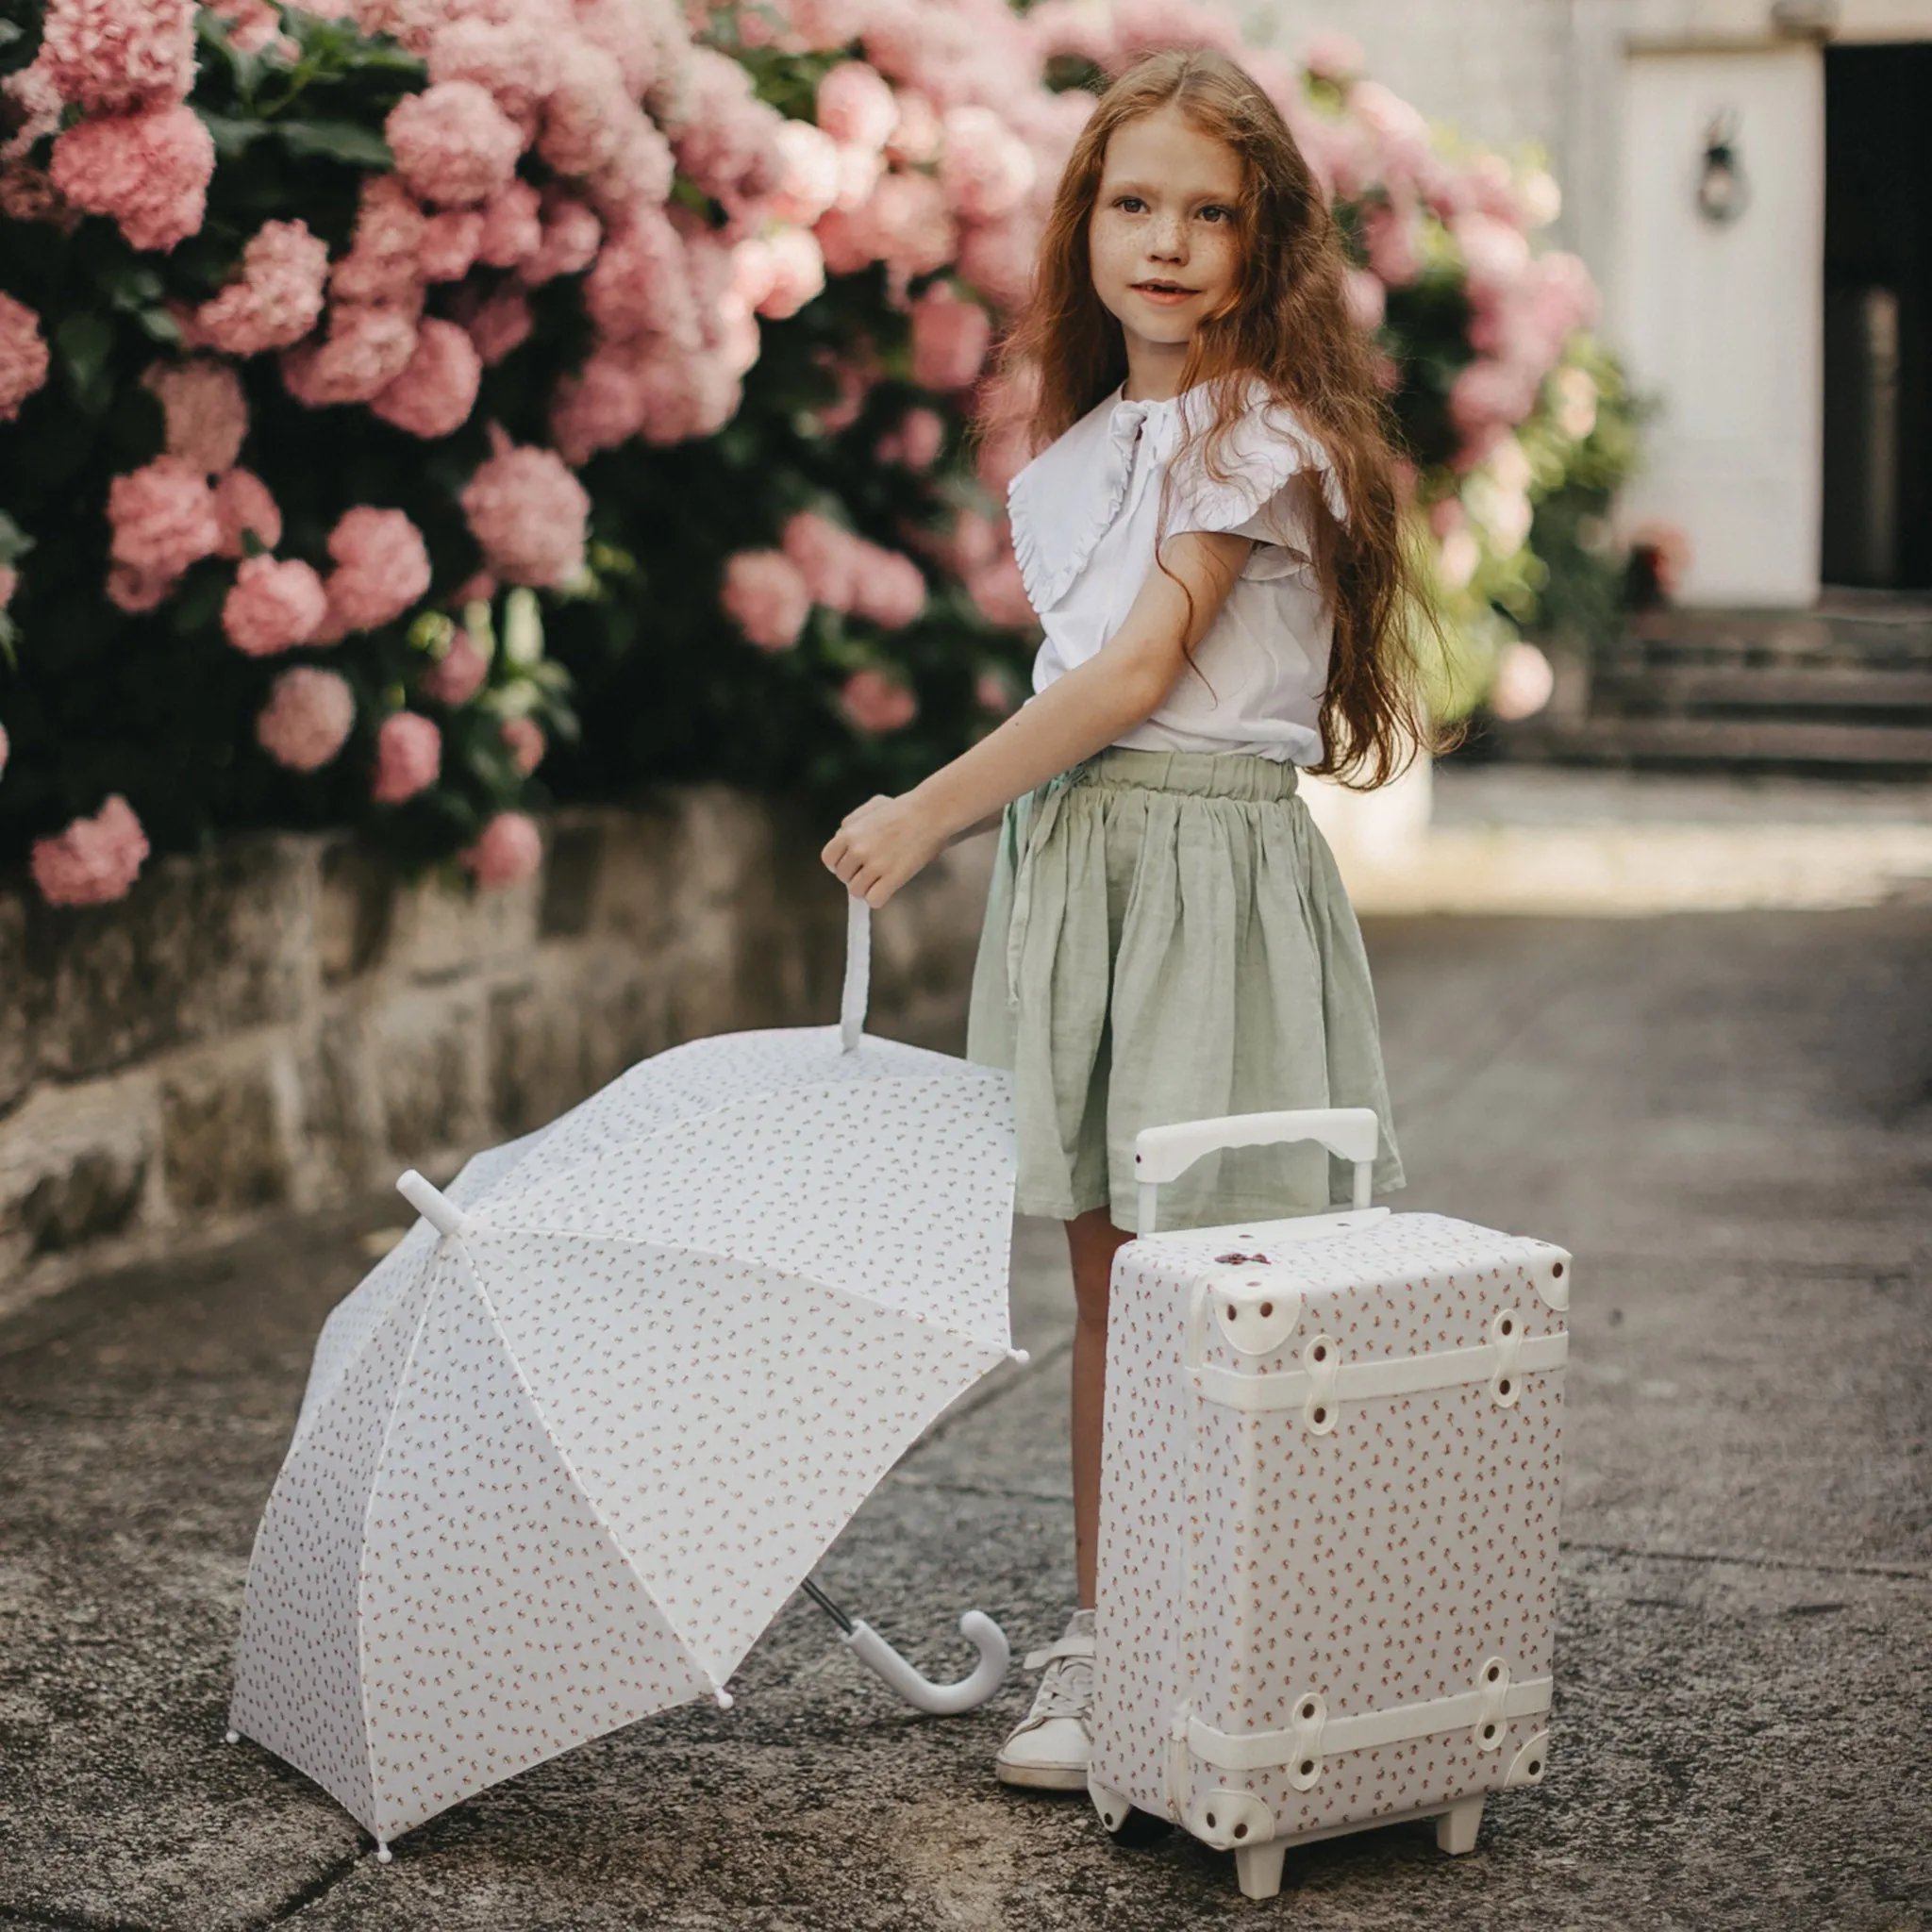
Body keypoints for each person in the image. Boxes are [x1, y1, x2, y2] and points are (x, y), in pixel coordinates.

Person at [821, 45, 1433, 1793]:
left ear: (1267, 242)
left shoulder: (1255, 437)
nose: (1166, 241)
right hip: (1088, 872)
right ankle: (1112, 1635)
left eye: (1210, 211)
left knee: (1210, 1281)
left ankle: (1250, 1638)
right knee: (1105, 1287)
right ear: (1088, 222)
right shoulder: (1097, 447)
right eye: (1134, 201)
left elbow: (1144, 672)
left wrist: (931, 809)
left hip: (1201, 882)